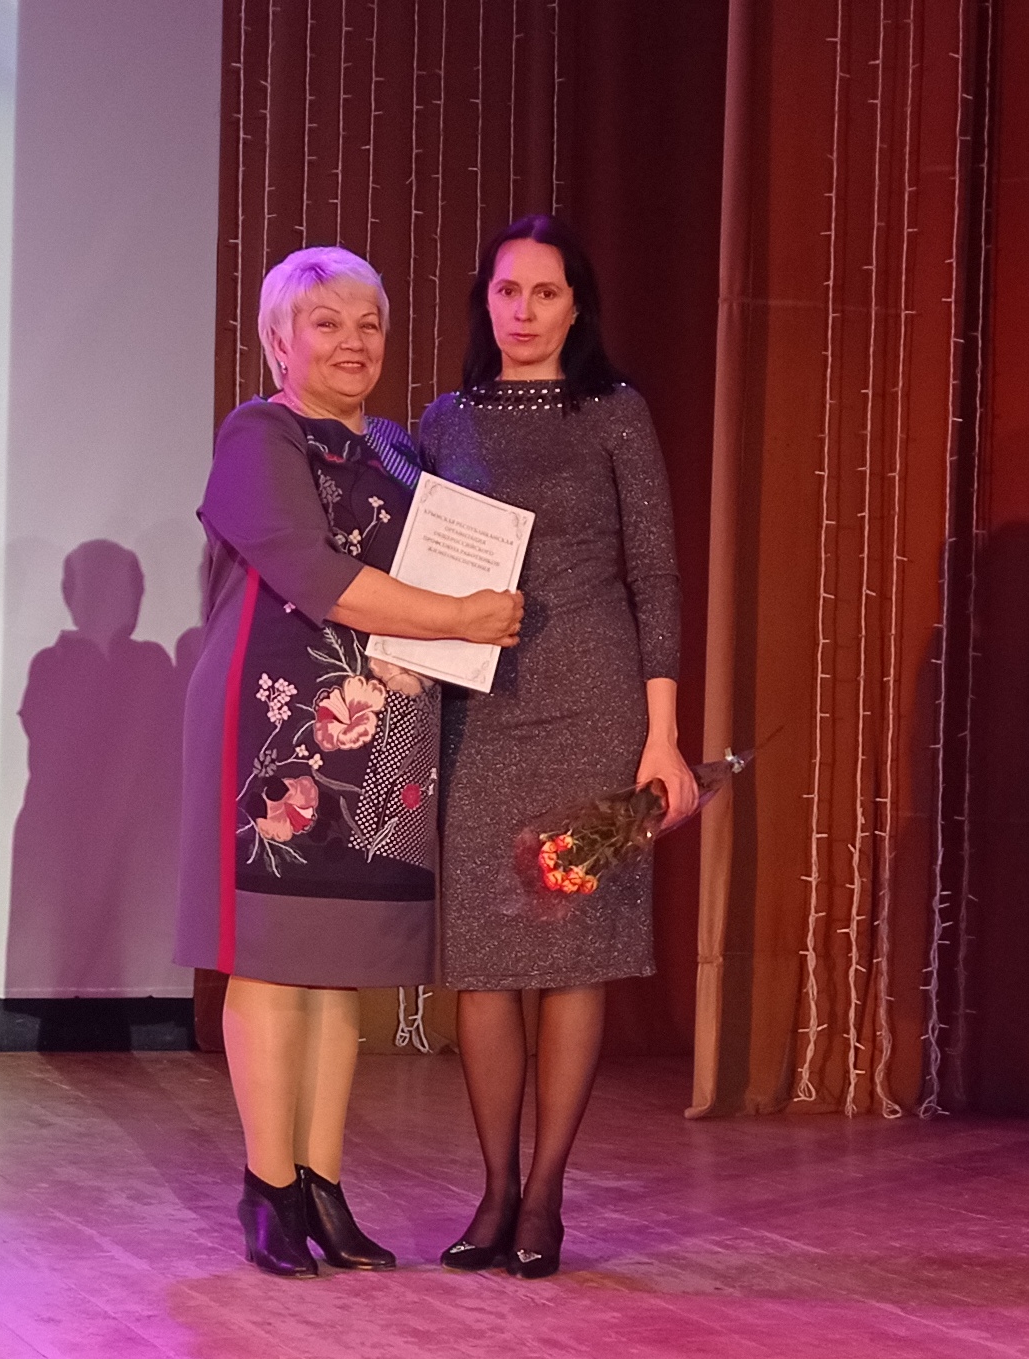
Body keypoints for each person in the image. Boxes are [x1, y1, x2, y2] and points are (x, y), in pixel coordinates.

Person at [175, 246, 522, 1279]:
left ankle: (322, 1185)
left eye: (368, 322)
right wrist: (460, 617)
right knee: (274, 956)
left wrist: (471, 618)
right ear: (277, 341)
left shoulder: (402, 449)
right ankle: (268, 1187)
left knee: (342, 967)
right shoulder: (261, 433)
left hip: (388, 719)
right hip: (278, 720)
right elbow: (315, 573)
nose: (353, 342)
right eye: (325, 323)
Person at [420, 215, 698, 1279]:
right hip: (478, 710)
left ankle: (545, 1195)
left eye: (545, 292)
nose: (524, 310)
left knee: (574, 953)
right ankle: (493, 1189)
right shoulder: (444, 418)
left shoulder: (614, 411)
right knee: (485, 960)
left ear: (577, 307)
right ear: (484, 302)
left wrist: (662, 738)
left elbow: (656, 575)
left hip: (593, 704)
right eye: (507, 291)